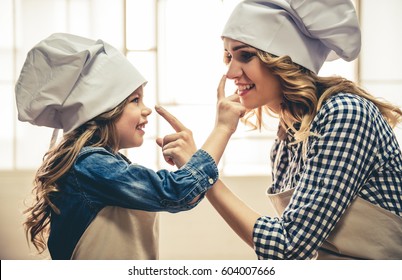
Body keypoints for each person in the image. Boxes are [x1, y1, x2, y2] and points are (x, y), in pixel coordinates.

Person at [15, 33, 245, 260]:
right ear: (104, 109)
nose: (146, 109)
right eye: (135, 100)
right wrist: (223, 128)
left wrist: (190, 166)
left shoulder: (105, 164)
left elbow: (185, 196)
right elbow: (176, 193)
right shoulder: (91, 165)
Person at [204, 0, 402, 259]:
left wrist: (204, 178)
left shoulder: (345, 113)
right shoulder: (287, 138)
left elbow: (289, 246)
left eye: (245, 55)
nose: (229, 72)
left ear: (282, 60)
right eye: (228, 56)